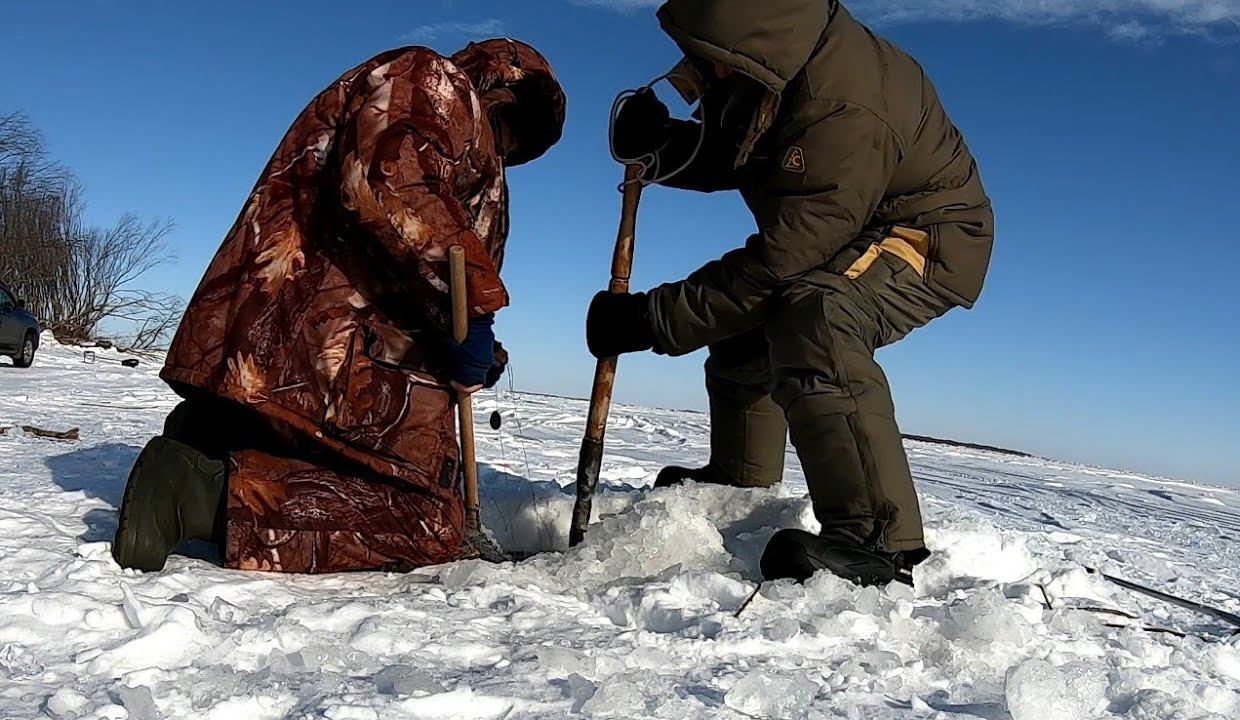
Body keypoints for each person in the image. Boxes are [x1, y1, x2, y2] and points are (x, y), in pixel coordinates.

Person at [113, 39, 566, 574]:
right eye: (510, 134)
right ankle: (198, 494)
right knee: (428, 522)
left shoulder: (453, 124)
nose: (505, 153)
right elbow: (393, 183)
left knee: (407, 475)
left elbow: (403, 267)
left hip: (305, 352)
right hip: (317, 351)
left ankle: (218, 438)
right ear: (503, 92)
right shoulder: (435, 83)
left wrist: (472, 343)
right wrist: (470, 309)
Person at [588, 0, 995, 587]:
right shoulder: (772, 62)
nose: (708, 69)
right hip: (848, 220)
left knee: (819, 316)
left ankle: (878, 540)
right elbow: (746, 152)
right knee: (745, 332)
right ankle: (740, 480)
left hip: (926, 234)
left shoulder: (843, 108)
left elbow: (782, 260)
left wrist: (652, 319)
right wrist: (666, 147)